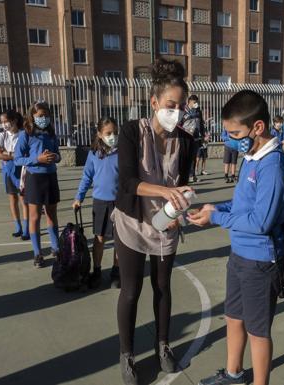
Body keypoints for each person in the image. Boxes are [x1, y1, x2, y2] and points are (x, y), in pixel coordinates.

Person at [189, 90, 284, 385]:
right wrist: (215, 207)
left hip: (260, 262)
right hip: (239, 255)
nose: (229, 138)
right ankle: (233, 374)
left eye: (234, 132)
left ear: (257, 127)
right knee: (234, 318)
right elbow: (241, 205)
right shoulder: (250, 156)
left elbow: (260, 222)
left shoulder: (271, 165)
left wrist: (216, 218)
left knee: (258, 331)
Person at [112, 58, 194, 385]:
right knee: (131, 290)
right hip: (132, 221)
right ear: (155, 102)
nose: (176, 111)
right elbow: (128, 182)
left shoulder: (186, 142)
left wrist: (180, 208)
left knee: (162, 287)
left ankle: (163, 346)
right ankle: (127, 354)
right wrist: (164, 190)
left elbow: (183, 183)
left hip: (165, 224)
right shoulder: (132, 131)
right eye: (171, 105)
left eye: (181, 106)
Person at [72, 117, 121, 289]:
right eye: (108, 133)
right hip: (100, 202)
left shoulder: (123, 152)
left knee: (119, 239)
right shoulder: (93, 154)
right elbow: (87, 176)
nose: (112, 136)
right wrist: (79, 197)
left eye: (115, 132)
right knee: (99, 238)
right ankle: (97, 270)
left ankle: (117, 271)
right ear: (100, 134)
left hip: (120, 202)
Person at [13, 101, 62, 268]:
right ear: (32, 116)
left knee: (52, 215)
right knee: (35, 217)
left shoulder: (51, 133)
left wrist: (54, 157)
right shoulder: (26, 134)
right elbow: (18, 159)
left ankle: (56, 248)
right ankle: (37, 253)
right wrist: (37, 159)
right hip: (34, 178)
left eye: (46, 115)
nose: (44, 118)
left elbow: (59, 155)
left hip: (51, 177)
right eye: (40, 116)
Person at [0, 109, 29, 240]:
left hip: (21, 170)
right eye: (2, 122)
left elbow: (25, 154)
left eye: (6, 121)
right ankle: (18, 227)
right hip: (8, 170)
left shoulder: (23, 134)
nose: (4, 124)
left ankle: (26, 229)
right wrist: (13, 155)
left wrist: (7, 154)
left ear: (14, 121)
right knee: (12, 199)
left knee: (23, 200)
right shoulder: (1, 136)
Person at [184, 94, 206, 183]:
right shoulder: (184, 110)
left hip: (196, 137)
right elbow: (180, 123)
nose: (196, 104)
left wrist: (203, 135)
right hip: (186, 136)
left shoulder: (198, 111)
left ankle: (192, 175)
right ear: (189, 102)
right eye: (194, 102)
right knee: (186, 157)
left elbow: (201, 123)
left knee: (194, 157)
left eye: (197, 102)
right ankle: (186, 175)